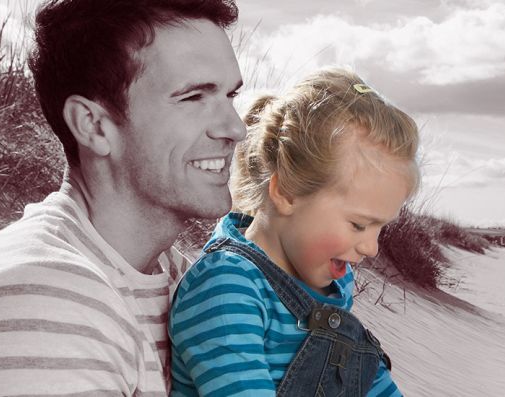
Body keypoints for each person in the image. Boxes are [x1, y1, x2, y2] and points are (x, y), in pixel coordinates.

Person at [0, 0, 245, 394]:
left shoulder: (186, 284)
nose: (234, 128)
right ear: (94, 126)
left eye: (230, 97)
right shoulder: (36, 298)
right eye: (194, 98)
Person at [168, 68, 414, 397]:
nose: (371, 248)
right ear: (286, 193)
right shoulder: (228, 289)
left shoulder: (333, 291)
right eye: (358, 225)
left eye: (380, 227)